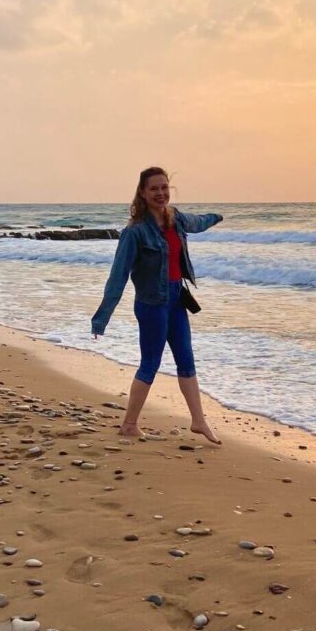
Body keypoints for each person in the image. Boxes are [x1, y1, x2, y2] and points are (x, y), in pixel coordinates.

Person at [91, 167, 223, 442]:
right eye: (154, 189)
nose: (161, 193)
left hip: (176, 300)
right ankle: (129, 423)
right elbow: (118, 276)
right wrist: (101, 319)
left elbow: (197, 222)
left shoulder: (175, 219)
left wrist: (218, 216)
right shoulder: (135, 233)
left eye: (164, 187)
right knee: (150, 363)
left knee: (186, 361)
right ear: (142, 192)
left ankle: (199, 422)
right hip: (152, 305)